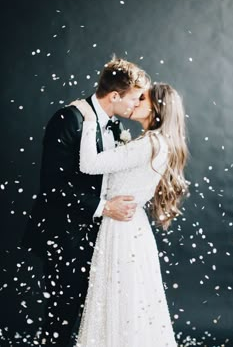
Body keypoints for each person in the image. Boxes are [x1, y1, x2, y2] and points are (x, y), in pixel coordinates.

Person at [20, 57, 151, 346]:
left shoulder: (114, 125)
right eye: (134, 98)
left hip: (99, 234)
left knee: (92, 312)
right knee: (61, 313)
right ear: (115, 96)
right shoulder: (68, 119)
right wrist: (105, 207)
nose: (137, 104)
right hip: (64, 234)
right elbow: (52, 187)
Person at [69, 82, 189, 347]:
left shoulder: (148, 144)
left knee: (119, 299)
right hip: (132, 226)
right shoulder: (158, 142)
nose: (134, 102)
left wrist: (89, 120)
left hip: (121, 228)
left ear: (157, 108)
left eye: (142, 99)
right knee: (130, 301)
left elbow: (89, 164)